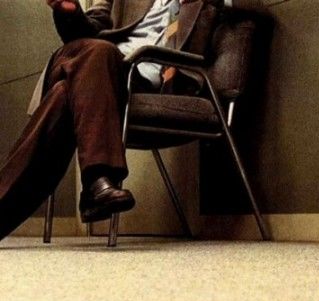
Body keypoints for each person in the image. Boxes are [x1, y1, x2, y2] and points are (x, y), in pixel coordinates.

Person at [0, 0, 222, 239]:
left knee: (63, 95)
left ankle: (93, 186)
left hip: (136, 82)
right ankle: (97, 177)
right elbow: (86, 32)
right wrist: (69, 11)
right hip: (93, 61)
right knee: (100, 52)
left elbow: (244, 5)